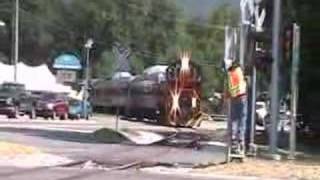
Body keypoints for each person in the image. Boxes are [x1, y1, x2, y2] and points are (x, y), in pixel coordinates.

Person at [224, 59, 248, 155]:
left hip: (234, 98)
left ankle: (234, 140)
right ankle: (240, 141)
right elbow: (242, 83)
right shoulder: (238, 71)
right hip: (242, 97)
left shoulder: (230, 74)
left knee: (234, 119)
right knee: (242, 119)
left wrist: (227, 96)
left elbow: (230, 89)